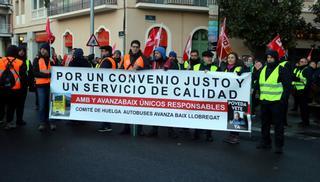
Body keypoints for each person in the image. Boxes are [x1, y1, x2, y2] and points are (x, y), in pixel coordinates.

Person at [255, 50, 291, 154]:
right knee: (264, 123)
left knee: (278, 125)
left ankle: (279, 146)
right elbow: (258, 82)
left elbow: (287, 87)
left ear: (276, 58)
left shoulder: (281, 69)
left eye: (271, 57)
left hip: (277, 102)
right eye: (267, 57)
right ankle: (265, 142)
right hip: (265, 101)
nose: (269, 59)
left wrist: (282, 100)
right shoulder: (263, 69)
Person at [119, 40, 149, 136]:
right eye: (133, 46)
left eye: (136, 47)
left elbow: (148, 71)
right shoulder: (126, 57)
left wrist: (140, 70)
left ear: (139, 48)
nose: (135, 48)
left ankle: (139, 129)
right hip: (127, 86)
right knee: (126, 107)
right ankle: (126, 127)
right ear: (131, 47)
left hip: (139, 87)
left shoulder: (143, 58)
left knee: (139, 108)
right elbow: (120, 70)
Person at [192, 50, 218, 142]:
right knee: (198, 115)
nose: (209, 58)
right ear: (203, 58)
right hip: (198, 95)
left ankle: (209, 134)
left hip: (210, 96)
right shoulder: (196, 67)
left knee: (209, 115)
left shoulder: (215, 68)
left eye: (210, 57)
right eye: (207, 57)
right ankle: (196, 133)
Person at [0, 45, 27, 130]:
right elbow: (23, 76)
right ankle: (9, 123)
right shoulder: (20, 62)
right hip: (15, 89)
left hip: (2, 88)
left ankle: (1, 119)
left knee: (1, 105)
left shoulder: (1, 60)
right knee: (11, 106)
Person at [221, 52, 245, 144]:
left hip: (237, 95)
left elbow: (245, 72)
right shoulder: (226, 69)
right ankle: (231, 134)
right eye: (229, 58)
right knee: (231, 115)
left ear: (236, 59)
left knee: (237, 115)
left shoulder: (239, 68)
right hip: (228, 95)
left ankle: (236, 136)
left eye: (232, 58)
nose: (230, 59)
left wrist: (242, 71)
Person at [33, 43, 56, 131]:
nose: (42, 50)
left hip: (52, 85)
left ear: (48, 50)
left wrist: (54, 60)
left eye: (44, 49)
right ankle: (42, 122)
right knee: (42, 105)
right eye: (41, 49)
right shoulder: (37, 59)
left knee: (51, 105)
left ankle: (51, 122)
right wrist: (47, 75)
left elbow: (58, 71)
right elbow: (35, 73)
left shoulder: (52, 60)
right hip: (41, 86)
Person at [147, 46, 167, 137]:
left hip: (166, 92)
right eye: (155, 53)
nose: (155, 55)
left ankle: (170, 130)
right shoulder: (153, 63)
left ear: (162, 54)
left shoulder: (169, 63)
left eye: (157, 53)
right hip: (155, 91)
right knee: (156, 111)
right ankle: (154, 129)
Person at [96, 46, 117, 132]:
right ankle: (107, 125)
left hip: (106, 87)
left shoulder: (107, 61)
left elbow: (103, 73)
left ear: (108, 52)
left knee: (105, 105)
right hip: (109, 86)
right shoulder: (110, 60)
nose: (102, 53)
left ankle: (105, 125)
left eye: (103, 51)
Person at [15, 45, 34, 126]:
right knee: (12, 104)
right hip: (14, 86)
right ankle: (10, 120)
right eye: (20, 50)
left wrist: (31, 85)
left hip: (23, 86)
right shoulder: (13, 61)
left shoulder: (27, 61)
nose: (21, 52)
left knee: (21, 104)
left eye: (23, 50)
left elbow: (31, 74)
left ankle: (19, 120)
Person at [292, 58, 312, 127]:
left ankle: (306, 122)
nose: (301, 63)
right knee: (302, 108)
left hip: (303, 92)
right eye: (301, 61)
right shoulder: (300, 69)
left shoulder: (307, 70)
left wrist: (305, 91)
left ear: (306, 63)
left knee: (304, 108)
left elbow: (308, 82)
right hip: (298, 91)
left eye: (303, 62)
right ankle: (303, 121)